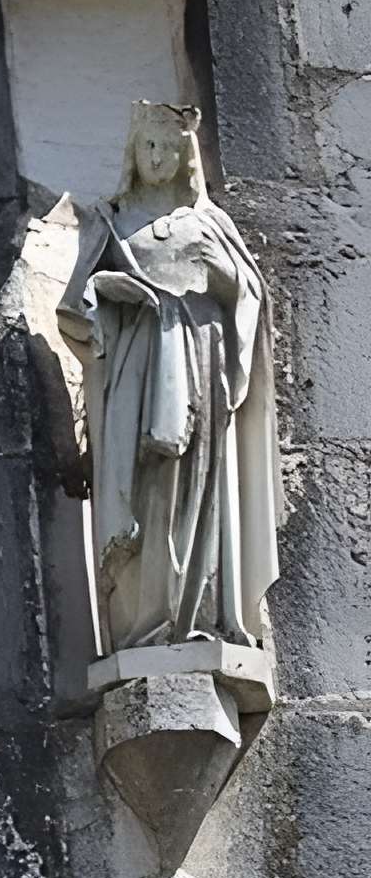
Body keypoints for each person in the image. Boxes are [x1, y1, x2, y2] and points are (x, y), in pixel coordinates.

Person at [58, 102, 281, 656]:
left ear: (187, 157)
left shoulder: (210, 223)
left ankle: (200, 612)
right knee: (146, 480)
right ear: (133, 155)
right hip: (136, 365)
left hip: (203, 355)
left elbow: (248, 298)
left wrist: (224, 272)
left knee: (200, 480)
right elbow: (74, 304)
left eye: (168, 148)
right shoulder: (111, 218)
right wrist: (111, 289)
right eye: (147, 147)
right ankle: (142, 623)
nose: (157, 157)